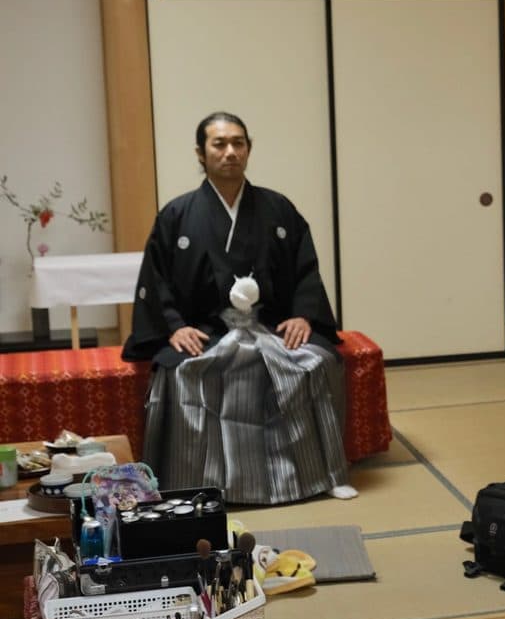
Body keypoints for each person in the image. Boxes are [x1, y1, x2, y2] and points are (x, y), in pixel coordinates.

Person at [122, 111, 358, 504]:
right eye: (219, 144)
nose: (230, 152)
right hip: (208, 330)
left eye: (238, 143)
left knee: (317, 362)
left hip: (271, 325)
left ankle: (323, 473)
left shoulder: (278, 208)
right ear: (201, 153)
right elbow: (156, 280)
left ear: (248, 149)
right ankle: (195, 484)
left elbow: (306, 269)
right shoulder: (177, 216)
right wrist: (174, 326)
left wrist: (303, 314)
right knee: (181, 372)